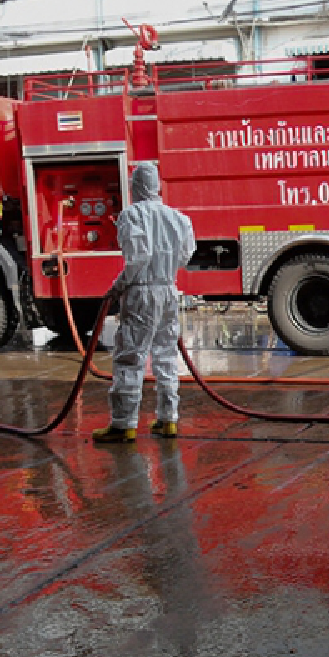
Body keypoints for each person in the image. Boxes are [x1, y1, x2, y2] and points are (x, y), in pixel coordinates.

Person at [93, 162, 196, 445]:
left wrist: (118, 286)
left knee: (130, 357)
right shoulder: (179, 219)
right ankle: (168, 419)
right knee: (165, 356)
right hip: (168, 290)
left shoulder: (132, 215)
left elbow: (139, 257)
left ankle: (123, 424)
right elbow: (186, 256)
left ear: (135, 186)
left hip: (142, 292)